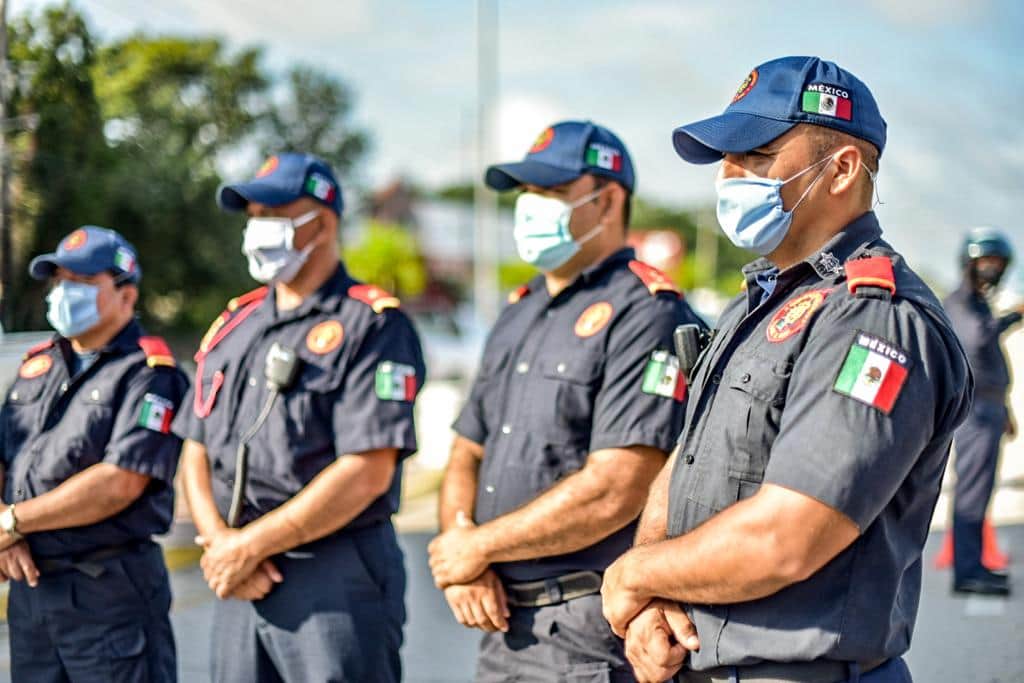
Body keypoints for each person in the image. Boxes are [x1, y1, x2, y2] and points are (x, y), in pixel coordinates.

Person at [600, 56, 973, 683]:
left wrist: (632, 574)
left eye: (757, 155)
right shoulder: (758, 304)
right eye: (726, 159)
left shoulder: (873, 318)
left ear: (842, 169)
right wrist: (653, 594)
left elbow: (789, 534)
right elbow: (690, 458)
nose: (729, 176)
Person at [428, 120, 706, 682]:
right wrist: (464, 552)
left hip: (589, 637)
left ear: (608, 202)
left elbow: (619, 486)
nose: (531, 206)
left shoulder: (646, 311)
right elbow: (465, 452)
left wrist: (477, 546)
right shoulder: (519, 310)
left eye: (552, 192)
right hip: (502, 624)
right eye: (527, 193)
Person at [173, 153, 425, 683]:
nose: (257, 226)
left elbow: (368, 469)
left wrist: (248, 546)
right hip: (240, 579)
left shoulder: (370, 324)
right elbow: (195, 445)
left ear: (324, 221)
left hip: (332, 578)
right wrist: (221, 543)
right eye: (253, 213)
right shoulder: (232, 325)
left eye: (275, 211)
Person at [0, 226, 187, 681]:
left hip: (110, 596)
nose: (65, 293)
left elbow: (119, 483)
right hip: (33, 589)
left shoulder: (148, 373)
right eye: (60, 281)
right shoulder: (37, 366)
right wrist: (7, 533)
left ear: (126, 295)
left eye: (82, 283)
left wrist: (11, 522)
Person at [943, 227, 1021, 596]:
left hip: (990, 408)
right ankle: (967, 572)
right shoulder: (961, 303)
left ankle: (975, 565)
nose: (991, 269)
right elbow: (976, 341)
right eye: (985, 262)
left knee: (982, 489)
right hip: (974, 412)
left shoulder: (978, 302)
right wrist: (1010, 318)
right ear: (970, 264)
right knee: (972, 492)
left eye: (997, 263)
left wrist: (1004, 407)